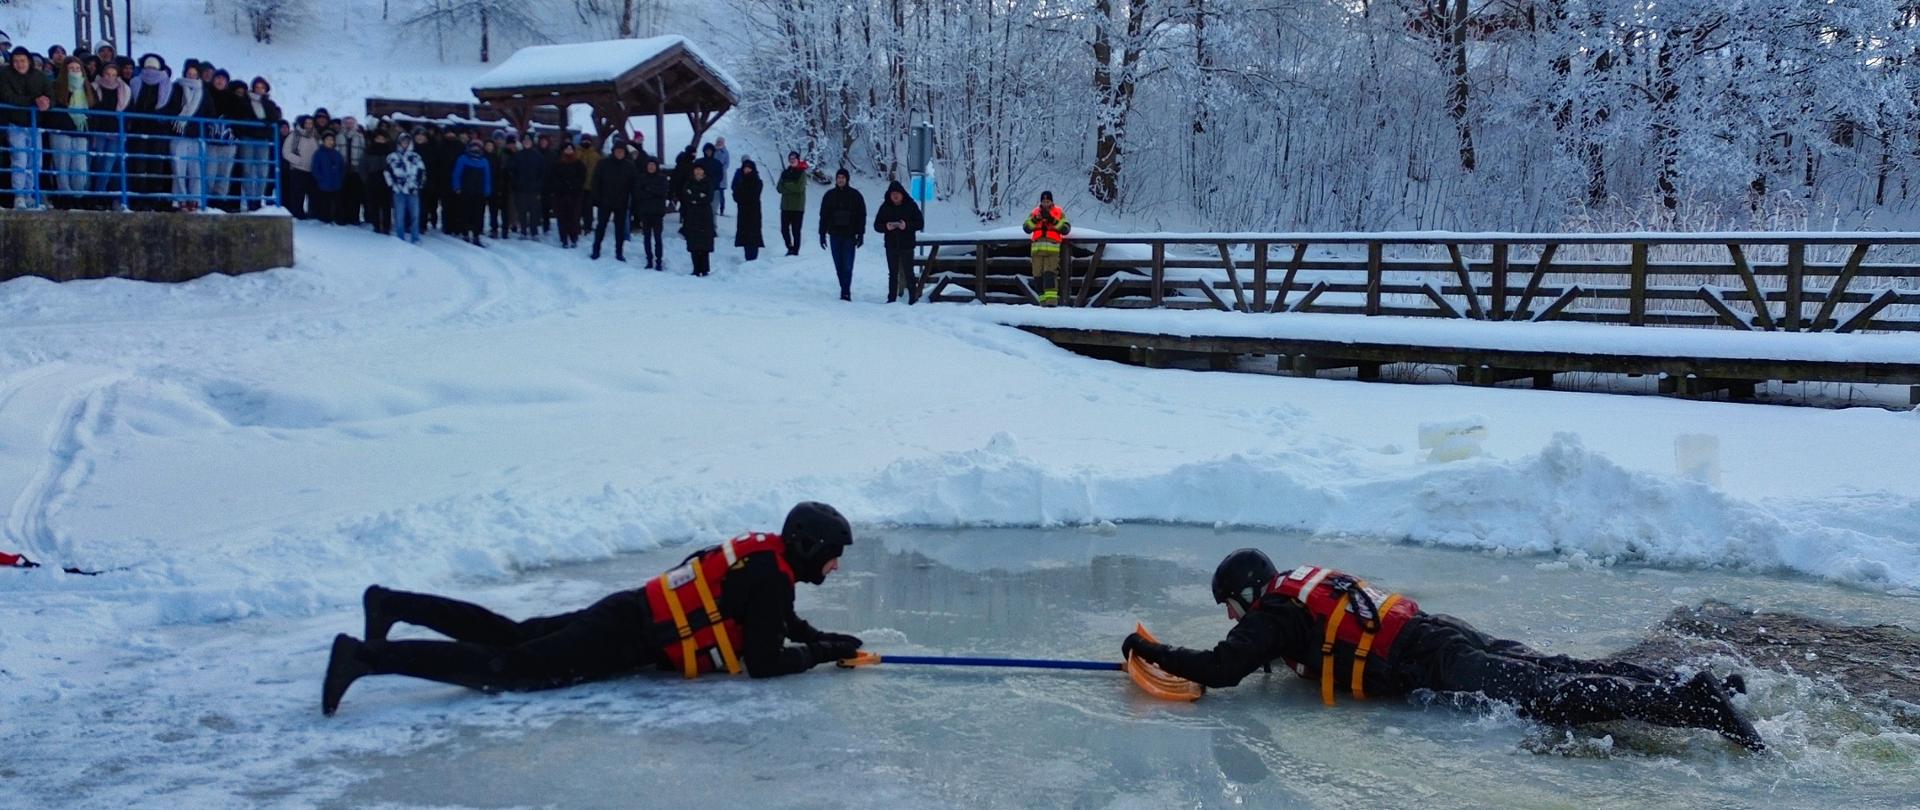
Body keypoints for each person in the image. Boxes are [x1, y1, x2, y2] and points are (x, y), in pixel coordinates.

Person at [1121, 549, 1767, 751]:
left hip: (1429, 658)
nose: (1236, 619)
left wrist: (1153, 653)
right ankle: (1686, 681)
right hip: (1439, 631)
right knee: (1556, 667)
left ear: (1248, 592)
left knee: (1545, 695)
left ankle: (1694, 705)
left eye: (1233, 606)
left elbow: (1221, 670)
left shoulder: (1273, 613)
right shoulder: (1300, 595)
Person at [321, 502, 864, 716]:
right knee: (510, 669)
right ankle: (364, 659)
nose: (836, 566)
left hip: (627, 611)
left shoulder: (766, 559)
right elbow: (764, 662)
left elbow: (771, 616)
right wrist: (814, 653)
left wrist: (820, 638)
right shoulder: (773, 579)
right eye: (834, 557)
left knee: (514, 633)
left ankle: (390, 604)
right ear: (809, 547)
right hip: (625, 638)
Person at [2, 46, 53, 208]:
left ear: (29, 61)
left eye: (22, 60)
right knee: (20, 159)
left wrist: (47, 103)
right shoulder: (4, 75)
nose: (19, 64)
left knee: (35, 162)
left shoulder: (40, 76)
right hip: (15, 123)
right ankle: (19, 195)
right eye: (16, 61)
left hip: (35, 124)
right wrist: (34, 101)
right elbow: (8, 97)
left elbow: (51, 97)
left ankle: (30, 193)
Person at [43, 57, 94, 208]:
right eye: (71, 69)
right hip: (61, 129)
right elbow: (53, 107)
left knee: (80, 166)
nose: (75, 72)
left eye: (78, 69)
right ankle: (64, 196)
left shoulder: (86, 88)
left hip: (81, 130)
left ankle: (78, 195)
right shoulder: (55, 86)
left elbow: (92, 108)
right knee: (62, 164)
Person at [818, 169, 866, 301]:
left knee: (848, 265)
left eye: (843, 177)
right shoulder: (829, 195)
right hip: (834, 234)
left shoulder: (855, 196)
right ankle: (843, 287)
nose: (840, 179)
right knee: (838, 265)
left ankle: (846, 291)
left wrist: (861, 234)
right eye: (838, 177)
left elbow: (862, 216)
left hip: (849, 236)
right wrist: (822, 234)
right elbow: (823, 216)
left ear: (847, 179)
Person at [873, 180, 923, 304]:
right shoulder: (885, 207)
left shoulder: (911, 205)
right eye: (892, 194)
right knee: (893, 273)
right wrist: (886, 227)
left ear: (902, 194)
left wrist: (906, 226)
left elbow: (920, 223)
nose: (895, 196)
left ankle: (913, 298)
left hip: (907, 244)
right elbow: (876, 225)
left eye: (897, 193)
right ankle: (891, 299)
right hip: (891, 244)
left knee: (908, 272)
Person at [88, 60, 130, 204]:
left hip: (116, 132)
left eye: (113, 74)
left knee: (108, 165)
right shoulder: (94, 87)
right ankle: (97, 195)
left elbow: (127, 109)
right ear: (102, 73)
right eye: (107, 73)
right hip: (99, 130)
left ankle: (99, 196)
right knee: (98, 162)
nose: (110, 77)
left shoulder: (124, 89)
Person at [589, 141, 637, 261]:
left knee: (620, 230)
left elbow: (634, 185)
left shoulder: (629, 166)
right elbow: (596, 182)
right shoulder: (603, 164)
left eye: (621, 151)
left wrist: (633, 201)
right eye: (617, 151)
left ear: (624, 153)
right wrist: (596, 198)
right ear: (613, 151)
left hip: (622, 202)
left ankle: (619, 253)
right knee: (601, 227)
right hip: (605, 201)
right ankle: (596, 250)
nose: (619, 153)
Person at [1021, 190, 1070, 306]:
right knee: (1037, 276)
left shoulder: (1058, 212)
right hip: (1037, 250)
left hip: (1052, 250)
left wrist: (1052, 220)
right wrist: (1035, 219)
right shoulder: (1035, 212)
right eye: (1043, 201)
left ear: (1051, 202)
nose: (1045, 204)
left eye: (1048, 201)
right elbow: (1026, 228)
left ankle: (1051, 303)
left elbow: (1066, 229)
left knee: (1049, 276)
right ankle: (1042, 303)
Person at [241, 77, 280, 210]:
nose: (259, 90)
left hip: (262, 139)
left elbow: (274, 117)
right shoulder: (246, 101)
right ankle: (250, 198)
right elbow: (243, 116)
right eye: (257, 87)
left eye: (262, 88)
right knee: (247, 169)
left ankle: (257, 198)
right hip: (248, 138)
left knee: (262, 170)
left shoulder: (269, 104)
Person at [385, 129, 425, 243]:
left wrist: (418, 185)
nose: (405, 144)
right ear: (399, 142)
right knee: (399, 215)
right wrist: (392, 185)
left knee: (415, 215)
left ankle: (415, 237)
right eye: (403, 141)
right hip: (399, 191)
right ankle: (400, 237)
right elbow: (387, 172)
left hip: (413, 190)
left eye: (407, 141)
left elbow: (422, 172)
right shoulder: (392, 157)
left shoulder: (416, 157)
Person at [449, 139, 492, 246]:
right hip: (465, 191)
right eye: (473, 147)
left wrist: (487, 190)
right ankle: (465, 233)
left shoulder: (484, 161)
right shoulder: (463, 159)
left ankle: (476, 235)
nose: (475, 149)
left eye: (477, 147)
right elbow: (456, 174)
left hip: (479, 192)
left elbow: (487, 177)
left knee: (478, 214)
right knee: (465, 212)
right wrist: (456, 186)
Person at [631, 156, 668, 270]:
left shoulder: (662, 178)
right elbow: (638, 194)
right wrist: (652, 191)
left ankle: (659, 261)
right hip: (645, 212)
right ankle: (649, 259)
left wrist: (648, 189)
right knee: (646, 238)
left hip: (657, 213)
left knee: (658, 238)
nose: (651, 167)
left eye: (653, 165)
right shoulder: (641, 178)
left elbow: (663, 192)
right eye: (649, 165)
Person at [680, 162, 717, 276]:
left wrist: (695, 198)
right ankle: (696, 268)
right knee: (693, 243)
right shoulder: (689, 182)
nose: (698, 172)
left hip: (705, 216)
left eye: (700, 170)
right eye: (696, 169)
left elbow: (709, 197)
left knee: (704, 244)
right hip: (691, 216)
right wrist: (698, 196)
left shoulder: (708, 182)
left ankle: (705, 269)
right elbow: (686, 195)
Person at [508, 133, 547, 240]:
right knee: (522, 211)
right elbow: (512, 171)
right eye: (524, 141)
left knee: (534, 212)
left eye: (528, 140)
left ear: (532, 142)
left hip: (534, 190)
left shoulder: (538, 156)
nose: (526, 142)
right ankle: (523, 231)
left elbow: (542, 173)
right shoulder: (518, 155)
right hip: (521, 189)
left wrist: (539, 186)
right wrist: (515, 183)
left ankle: (534, 232)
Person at [548, 142, 586, 249]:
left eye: (571, 149)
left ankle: (574, 238)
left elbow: (582, 178)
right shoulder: (557, 163)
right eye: (567, 149)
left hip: (575, 195)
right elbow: (553, 178)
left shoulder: (579, 164)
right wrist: (561, 185)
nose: (569, 150)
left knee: (574, 217)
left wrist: (573, 185)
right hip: (561, 195)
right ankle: (564, 238)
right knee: (562, 218)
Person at [280, 114, 318, 218]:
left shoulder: (315, 135)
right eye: (307, 123)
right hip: (297, 169)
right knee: (297, 195)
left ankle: (311, 214)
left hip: (312, 170)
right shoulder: (294, 135)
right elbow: (286, 152)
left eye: (311, 123)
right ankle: (297, 214)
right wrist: (297, 160)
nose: (309, 125)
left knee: (312, 195)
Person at [334, 116, 366, 225]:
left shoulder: (360, 137)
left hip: (355, 169)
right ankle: (342, 217)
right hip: (342, 169)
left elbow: (363, 153)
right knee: (342, 195)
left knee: (355, 196)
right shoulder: (338, 136)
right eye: (347, 123)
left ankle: (354, 218)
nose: (349, 125)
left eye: (351, 123)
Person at [309, 131, 346, 222]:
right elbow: (315, 168)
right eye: (328, 139)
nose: (330, 142)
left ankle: (338, 219)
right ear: (323, 141)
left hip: (336, 183)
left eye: (332, 140)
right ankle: (325, 219)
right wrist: (320, 179)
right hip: (324, 183)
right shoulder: (318, 153)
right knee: (325, 203)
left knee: (338, 203)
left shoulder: (337, 153)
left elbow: (342, 167)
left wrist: (340, 178)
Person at [362, 128, 394, 234]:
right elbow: (362, 166)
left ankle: (386, 226)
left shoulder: (390, 152)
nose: (380, 140)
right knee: (374, 205)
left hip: (387, 181)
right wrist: (366, 179)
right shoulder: (369, 150)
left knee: (386, 206)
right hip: (372, 180)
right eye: (378, 138)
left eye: (382, 139)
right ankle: (376, 225)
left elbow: (394, 166)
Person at [775, 151, 807, 256]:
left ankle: (796, 250)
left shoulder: (802, 173)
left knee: (796, 230)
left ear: (798, 159)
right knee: (784, 229)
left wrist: (786, 185)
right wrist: (790, 186)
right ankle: (789, 247)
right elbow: (779, 188)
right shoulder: (785, 173)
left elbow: (799, 188)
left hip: (798, 207)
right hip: (785, 206)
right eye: (790, 158)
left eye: (794, 158)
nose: (792, 160)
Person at [732, 158, 764, 262]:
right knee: (744, 234)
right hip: (743, 211)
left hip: (753, 212)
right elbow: (736, 195)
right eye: (745, 168)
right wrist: (742, 196)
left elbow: (753, 196)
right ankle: (747, 257)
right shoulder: (740, 181)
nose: (747, 170)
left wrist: (743, 196)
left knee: (753, 234)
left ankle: (753, 258)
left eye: (749, 168)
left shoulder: (757, 181)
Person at [712, 136, 730, 216]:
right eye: (718, 141)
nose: (719, 143)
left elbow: (727, 163)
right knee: (713, 193)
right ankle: (713, 208)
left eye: (721, 142)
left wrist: (721, 169)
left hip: (722, 176)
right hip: (713, 175)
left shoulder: (725, 152)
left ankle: (722, 210)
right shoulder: (713, 150)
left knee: (721, 194)